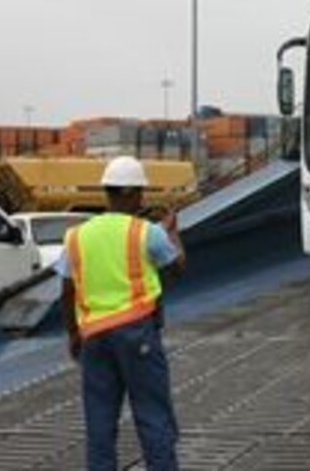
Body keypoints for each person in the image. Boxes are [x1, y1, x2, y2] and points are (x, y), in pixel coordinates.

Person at [56, 156, 186, 471]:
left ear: (108, 192)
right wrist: (172, 233)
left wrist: (73, 334)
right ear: (133, 193)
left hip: (94, 338)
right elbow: (177, 269)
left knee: (100, 421)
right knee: (153, 416)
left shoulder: (76, 236)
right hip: (137, 333)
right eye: (140, 192)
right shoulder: (146, 232)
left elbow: (67, 291)